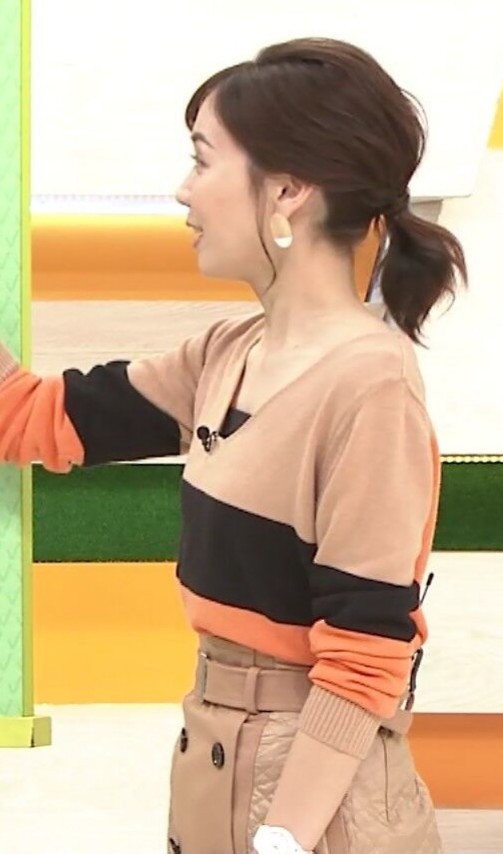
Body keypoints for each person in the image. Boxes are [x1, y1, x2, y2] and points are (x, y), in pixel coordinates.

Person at [0, 37, 466, 854]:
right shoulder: (226, 353)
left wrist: (282, 836)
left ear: (286, 190)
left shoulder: (370, 387)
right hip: (214, 763)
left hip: (316, 803)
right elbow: (32, 419)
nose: (183, 192)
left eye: (201, 159)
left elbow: (364, 657)